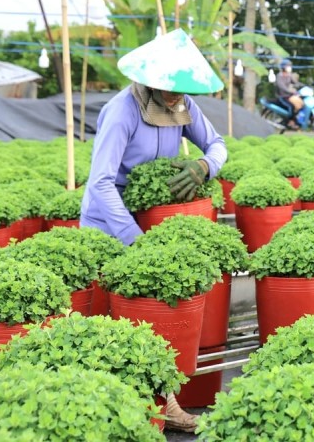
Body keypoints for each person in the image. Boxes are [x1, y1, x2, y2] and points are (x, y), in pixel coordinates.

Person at [80, 28, 227, 432]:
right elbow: (100, 183)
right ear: (151, 79)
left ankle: (165, 406)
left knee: (156, 319)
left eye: (182, 89)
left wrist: (204, 166)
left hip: (150, 226)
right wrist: (134, 240)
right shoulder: (121, 111)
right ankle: (111, 412)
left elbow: (218, 146)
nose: (177, 96)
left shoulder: (184, 106)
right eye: (171, 88)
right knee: (112, 323)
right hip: (109, 225)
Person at [274, 58, 304, 129]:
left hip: (289, 96)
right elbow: (282, 87)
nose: (289, 68)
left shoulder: (289, 75)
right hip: (283, 96)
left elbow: (295, 82)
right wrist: (291, 91)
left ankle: (296, 120)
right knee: (292, 106)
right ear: (284, 67)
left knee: (300, 104)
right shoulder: (279, 76)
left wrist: (303, 85)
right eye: (288, 66)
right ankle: (290, 121)